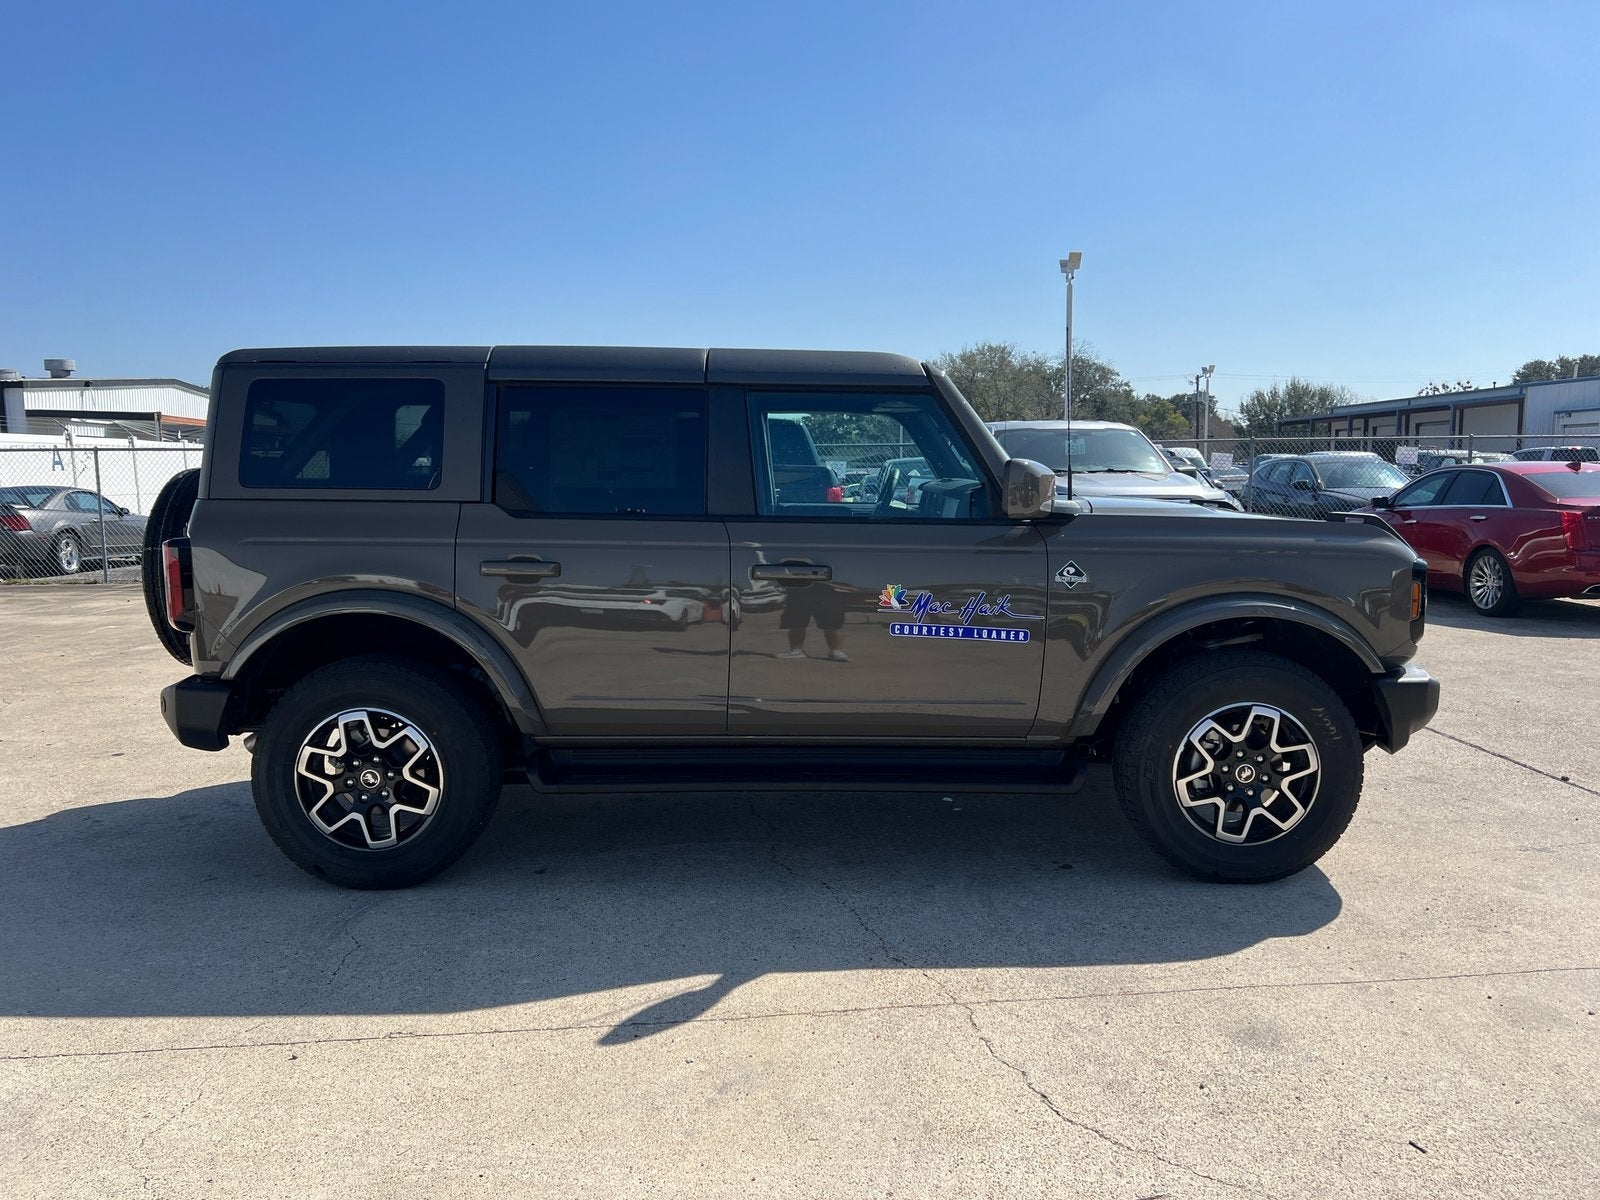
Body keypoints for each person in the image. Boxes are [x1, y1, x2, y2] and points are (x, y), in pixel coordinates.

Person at [777, 581, 848, 661]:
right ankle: (796, 651)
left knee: (833, 624)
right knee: (796, 623)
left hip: (828, 590)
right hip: (799, 589)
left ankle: (835, 652)